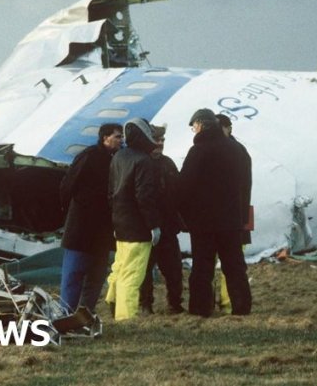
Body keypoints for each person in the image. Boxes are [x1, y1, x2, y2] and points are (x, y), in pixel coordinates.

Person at [179, 108, 252, 316]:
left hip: (204, 222)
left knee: (202, 267)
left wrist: (183, 212)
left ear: (200, 125)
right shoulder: (237, 150)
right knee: (235, 266)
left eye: (194, 127)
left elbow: (185, 185)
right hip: (232, 220)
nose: (194, 131)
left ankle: (200, 309)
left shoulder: (199, 151)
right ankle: (242, 307)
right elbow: (245, 185)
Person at [58, 123, 122, 315]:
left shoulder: (117, 159)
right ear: (105, 138)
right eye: (118, 136)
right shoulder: (89, 156)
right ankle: (66, 315)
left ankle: (85, 316)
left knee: (96, 275)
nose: (121, 140)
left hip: (102, 229)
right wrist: (73, 210)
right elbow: (67, 185)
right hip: (82, 225)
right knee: (74, 273)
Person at [106, 118, 162, 321]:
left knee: (119, 267)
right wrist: (154, 225)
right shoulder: (144, 161)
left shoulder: (119, 156)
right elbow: (144, 197)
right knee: (132, 274)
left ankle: (112, 301)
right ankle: (125, 317)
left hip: (120, 224)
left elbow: (111, 191)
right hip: (138, 228)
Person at [138, 124, 185, 314]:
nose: (160, 144)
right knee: (144, 270)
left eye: (162, 140)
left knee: (173, 269)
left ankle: (174, 303)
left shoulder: (167, 164)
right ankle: (145, 304)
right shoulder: (140, 162)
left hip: (168, 226)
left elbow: (178, 191)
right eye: (157, 140)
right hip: (145, 227)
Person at [214, 114, 253, 314]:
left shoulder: (234, 152)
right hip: (238, 215)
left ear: (228, 128)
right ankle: (227, 301)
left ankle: (229, 302)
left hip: (234, 216)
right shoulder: (239, 151)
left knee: (232, 262)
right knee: (232, 262)